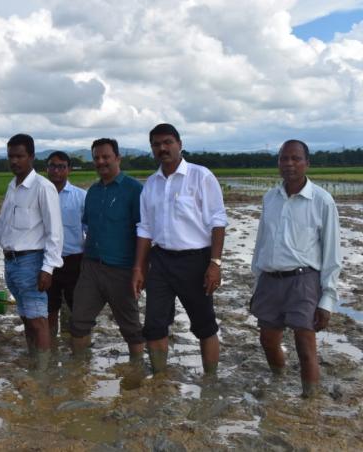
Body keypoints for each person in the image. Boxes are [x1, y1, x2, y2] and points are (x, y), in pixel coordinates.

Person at [131, 123, 227, 376]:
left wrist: (214, 263)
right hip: (160, 261)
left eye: (167, 142)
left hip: (195, 261)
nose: (162, 148)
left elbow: (218, 221)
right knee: (154, 325)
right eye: (156, 144)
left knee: (205, 325)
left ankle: (210, 381)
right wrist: (139, 268)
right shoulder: (151, 184)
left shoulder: (200, 176)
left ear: (179, 144)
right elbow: (145, 229)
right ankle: (160, 378)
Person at [0, 134, 63, 370]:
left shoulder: (43, 188)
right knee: (26, 317)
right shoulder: (12, 187)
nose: (15, 161)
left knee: (38, 319)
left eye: (20, 156)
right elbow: (1, 226)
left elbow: (55, 234)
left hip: (32, 262)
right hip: (12, 264)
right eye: (11, 156)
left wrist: (47, 269)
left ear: (32, 157)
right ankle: (33, 359)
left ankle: (43, 371)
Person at [250, 140, 341, 397]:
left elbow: (332, 253)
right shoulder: (270, 198)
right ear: (278, 162)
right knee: (267, 341)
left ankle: (309, 401)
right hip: (269, 279)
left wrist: (327, 300)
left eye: (295, 158)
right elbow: (261, 243)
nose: (289, 164)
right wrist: (257, 284)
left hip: (303, 281)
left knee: (305, 345)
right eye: (283, 158)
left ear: (306, 163)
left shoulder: (322, 201)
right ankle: (279, 380)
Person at [69, 139, 145, 363]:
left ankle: (136, 370)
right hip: (91, 267)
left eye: (105, 157)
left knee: (130, 326)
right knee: (78, 322)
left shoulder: (134, 190)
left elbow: (144, 232)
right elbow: (87, 228)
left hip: (122, 269)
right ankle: (80, 371)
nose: (100, 162)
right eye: (96, 158)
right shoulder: (92, 191)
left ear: (117, 158)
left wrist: (141, 269)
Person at [44, 151, 86, 337]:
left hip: (73, 261)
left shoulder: (80, 196)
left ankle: (75, 347)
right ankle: (51, 343)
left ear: (69, 169)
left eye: (61, 166)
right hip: (46, 262)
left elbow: (89, 229)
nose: (56, 170)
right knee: (48, 308)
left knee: (76, 308)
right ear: (47, 169)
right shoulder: (40, 195)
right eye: (52, 166)